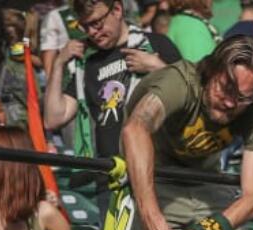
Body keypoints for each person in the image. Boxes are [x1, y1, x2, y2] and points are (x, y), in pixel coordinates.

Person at [122, 35, 253, 230]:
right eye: (226, 88)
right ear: (211, 71)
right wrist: (151, 215)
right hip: (156, 175)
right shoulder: (180, 82)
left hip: (205, 178)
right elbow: (135, 129)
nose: (231, 103)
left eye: (242, 98)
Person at [43, 0, 180, 167]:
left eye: (96, 23)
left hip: (153, 169)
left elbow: (190, 93)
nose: (92, 32)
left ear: (117, 9)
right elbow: (53, 119)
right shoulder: (89, 62)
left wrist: (157, 67)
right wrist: (58, 63)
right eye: (85, 26)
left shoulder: (155, 44)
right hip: (110, 173)